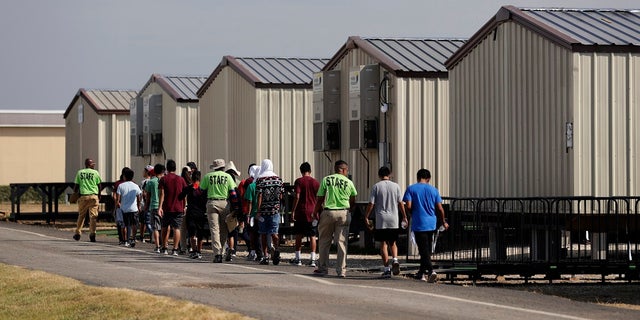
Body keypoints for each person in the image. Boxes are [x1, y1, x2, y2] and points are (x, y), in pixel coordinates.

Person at [312, 160, 357, 277]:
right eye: (347, 170)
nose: (347, 172)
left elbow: (320, 198)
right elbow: (353, 199)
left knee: (324, 241)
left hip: (328, 212)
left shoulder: (326, 180)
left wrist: (315, 211)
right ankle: (341, 270)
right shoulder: (349, 182)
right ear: (343, 170)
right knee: (342, 242)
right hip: (343, 212)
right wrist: (349, 209)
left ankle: (323, 268)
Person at [402, 169, 449, 283]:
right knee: (426, 248)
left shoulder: (411, 189)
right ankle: (421, 273)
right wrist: (443, 221)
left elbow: (408, 205)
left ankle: (431, 271)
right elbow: (440, 208)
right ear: (428, 179)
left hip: (419, 222)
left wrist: (411, 213)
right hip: (431, 223)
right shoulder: (434, 190)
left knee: (423, 250)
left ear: (418, 177)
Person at [363, 166, 408, 278]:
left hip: (381, 218)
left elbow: (371, 203)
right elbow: (400, 203)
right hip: (393, 218)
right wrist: (404, 216)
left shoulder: (376, 187)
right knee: (393, 242)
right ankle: (396, 259)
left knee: (383, 244)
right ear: (390, 174)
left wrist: (366, 216)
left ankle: (387, 269)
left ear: (379, 175)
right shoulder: (396, 186)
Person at [200, 159, 237, 263]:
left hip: (211, 203)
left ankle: (217, 254)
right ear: (223, 167)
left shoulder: (208, 176)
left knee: (214, 229)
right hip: (224, 203)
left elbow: (201, 191)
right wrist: (236, 207)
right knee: (224, 229)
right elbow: (233, 193)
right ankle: (221, 250)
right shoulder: (228, 177)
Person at [289, 162, 320, 267]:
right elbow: (319, 198)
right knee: (312, 235)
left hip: (301, 212)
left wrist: (293, 211)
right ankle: (313, 259)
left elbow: (297, 196)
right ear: (310, 171)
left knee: (298, 235)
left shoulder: (298, 181)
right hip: (313, 212)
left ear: (301, 171)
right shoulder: (316, 182)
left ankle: (298, 259)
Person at [255, 159, 285, 265]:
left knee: (263, 233)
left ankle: (266, 256)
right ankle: (276, 249)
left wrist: (258, 211)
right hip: (275, 210)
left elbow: (260, 196)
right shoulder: (279, 179)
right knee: (274, 232)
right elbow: (281, 196)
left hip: (264, 211)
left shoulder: (260, 180)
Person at [158, 159, 187, 256]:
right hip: (178, 207)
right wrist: (184, 205)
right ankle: (175, 249)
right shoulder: (181, 179)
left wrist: (160, 207)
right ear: (175, 168)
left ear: (167, 168)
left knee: (164, 227)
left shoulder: (164, 179)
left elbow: (162, 194)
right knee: (176, 228)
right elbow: (184, 194)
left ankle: (164, 247)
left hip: (167, 207)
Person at [179, 170, 207, 259]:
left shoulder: (189, 188)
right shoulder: (203, 189)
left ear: (192, 178)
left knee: (192, 233)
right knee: (200, 233)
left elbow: (180, 197)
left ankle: (194, 251)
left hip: (191, 212)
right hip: (201, 213)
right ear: (200, 178)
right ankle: (199, 251)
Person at [73, 158, 102, 242]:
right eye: (93, 164)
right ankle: (92, 234)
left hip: (83, 196)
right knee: (93, 216)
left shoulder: (80, 172)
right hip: (93, 196)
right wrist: (99, 195)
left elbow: (76, 186)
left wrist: (76, 194)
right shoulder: (95, 173)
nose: (94, 165)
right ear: (89, 164)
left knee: (81, 215)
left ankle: (78, 232)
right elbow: (100, 185)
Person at [115, 167, 142, 248]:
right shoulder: (136, 186)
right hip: (134, 208)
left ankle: (125, 240)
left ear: (124, 176)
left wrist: (118, 204)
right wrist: (138, 205)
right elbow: (139, 197)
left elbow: (118, 198)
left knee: (124, 225)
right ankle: (133, 238)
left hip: (124, 208)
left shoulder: (121, 186)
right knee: (134, 224)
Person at [224, 161, 243, 262]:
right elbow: (239, 197)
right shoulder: (238, 182)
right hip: (234, 209)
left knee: (224, 229)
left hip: (226, 207)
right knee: (233, 231)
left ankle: (227, 248)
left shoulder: (224, 181)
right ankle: (232, 249)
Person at [145, 163, 165, 253]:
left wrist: (146, 206)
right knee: (163, 227)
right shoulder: (164, 180)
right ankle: (164, 245)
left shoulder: (151, 182)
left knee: (155, 228)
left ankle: (157, 246)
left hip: (154, 206)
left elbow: (148, 196)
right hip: (164, 206)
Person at [243, 164, 261, 261]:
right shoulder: (263, 185)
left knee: (253, 234)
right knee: (262, 234)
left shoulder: (251, 186)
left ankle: (254, 252)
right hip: (263, 213)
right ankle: (263, 253)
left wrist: (248, 214)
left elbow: (249, 201)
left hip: (253, 214)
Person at [139, 165, 154, 243]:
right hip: (152, 204)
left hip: (145, 204)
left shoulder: (145, 182)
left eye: (144, 171)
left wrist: (141, 204)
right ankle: (143, 236)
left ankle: (151, 236)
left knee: (145, 222)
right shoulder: (155, 180)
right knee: (146, 221)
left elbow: (143, 194)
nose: (143, 172)